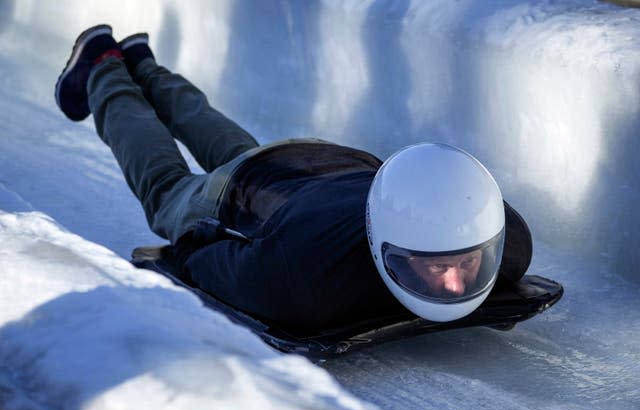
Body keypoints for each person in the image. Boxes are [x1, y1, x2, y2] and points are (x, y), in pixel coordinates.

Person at [55, 25, 531, 331]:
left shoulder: (509, 243)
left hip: (321, 163)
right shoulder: (301, 282)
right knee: (165, 188)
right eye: (434, 267)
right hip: (259, 194)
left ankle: (143, 64)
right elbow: (207, 261)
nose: (453, 286)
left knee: (241, 153)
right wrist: (183, 247)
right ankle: (104, 67)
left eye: (467, 264)